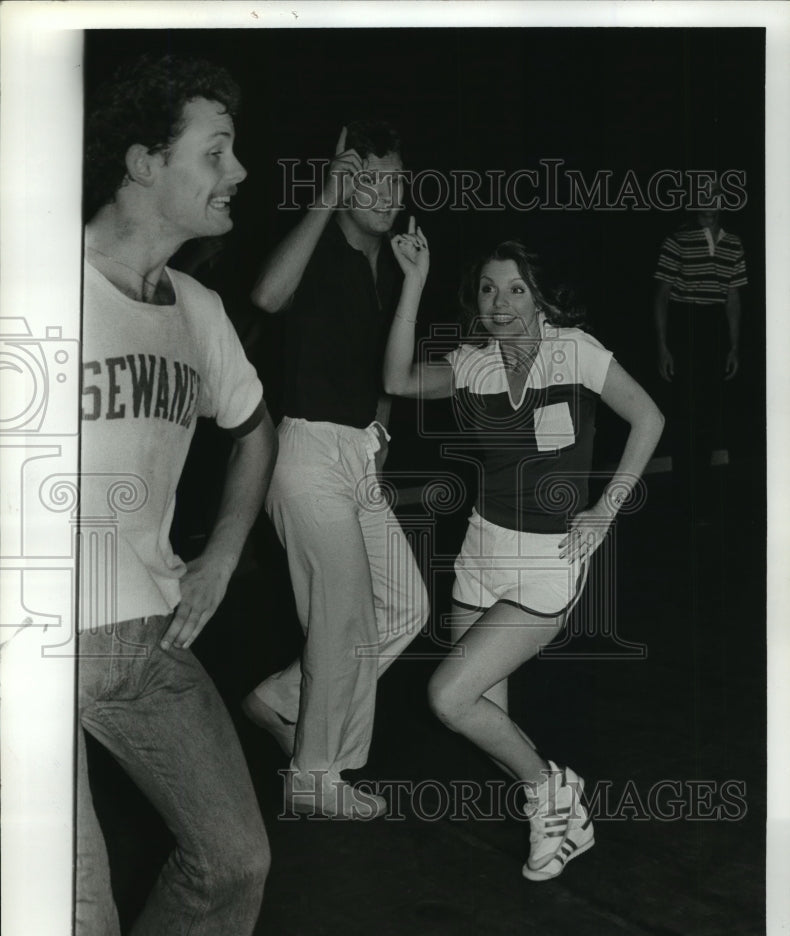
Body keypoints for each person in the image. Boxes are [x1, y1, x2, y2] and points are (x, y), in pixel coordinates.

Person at [77, 53, 277, 936]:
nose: (237, 173)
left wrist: (225, 552)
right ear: (144, 162)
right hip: (37, 649)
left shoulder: (197, 309)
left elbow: (255, 430)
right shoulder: (42, 279)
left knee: (235, 860)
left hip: (153, 637)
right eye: (217, 152)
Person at [383, 225, 664, 881]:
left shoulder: (576, 352)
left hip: (548, 560)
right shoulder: (470, 362)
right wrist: (414, 282)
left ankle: (553, 792)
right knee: (485, 724)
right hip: (481, 551)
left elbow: (650, 418)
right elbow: (395, 378)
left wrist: (604, 509)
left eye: (515, 289)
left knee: (449, 698)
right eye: (488, 289)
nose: (500, 303)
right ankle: (559, 802)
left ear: (539, 298)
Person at [242, 122, 429, 820]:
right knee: (343, 619)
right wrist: (324, 195)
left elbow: (391, 371)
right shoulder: (320, 250)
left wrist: (380, 432)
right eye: (372, 181)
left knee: (406, 605)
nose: (387, 195)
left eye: (397, 182)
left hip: (357, 455)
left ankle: (287, 698)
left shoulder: (389, 267)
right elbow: (265, 296)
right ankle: (316, 777)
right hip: (306, 453)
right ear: (348, 185)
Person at [653, 189, 747, 521]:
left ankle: (703, 495)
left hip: (714, 329)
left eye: (715, 195)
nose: (709, 201)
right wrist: (664, 345)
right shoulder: (678, 239)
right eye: (703, 194)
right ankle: (682, 498)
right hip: (686, 325)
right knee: (684, 412)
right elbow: (662, 296)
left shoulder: (733, 243)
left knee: (708, 414)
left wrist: (734, 345)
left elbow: (733, 298)